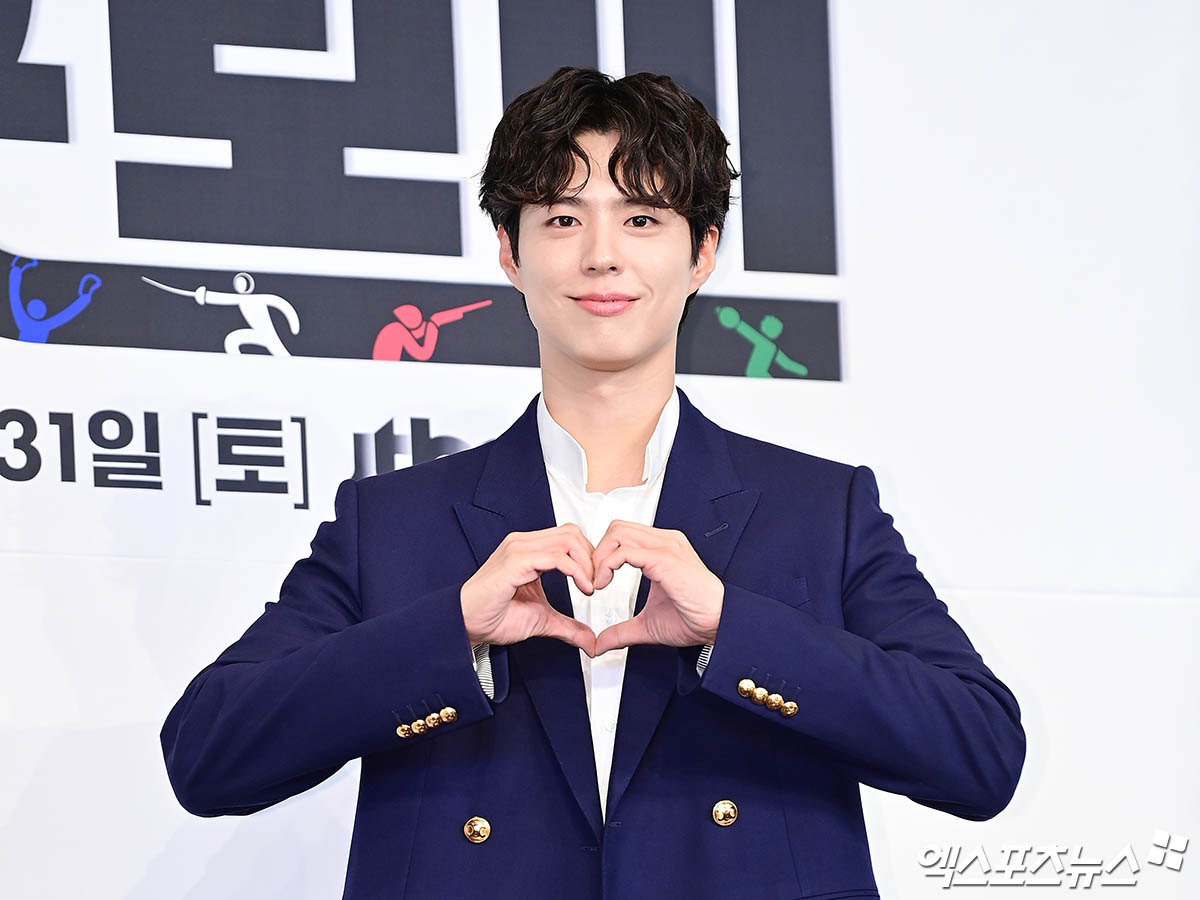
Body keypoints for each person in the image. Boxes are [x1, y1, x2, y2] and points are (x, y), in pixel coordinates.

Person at [161, 67, 1025, 900]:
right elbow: (207, 754)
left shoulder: (820, 511)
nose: (602, 256)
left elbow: (982, 753)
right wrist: (451, 631)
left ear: (702, 253)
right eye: (564, 218)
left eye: (642, 218)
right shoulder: (390, 523)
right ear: (511, 252)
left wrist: (735, 628)